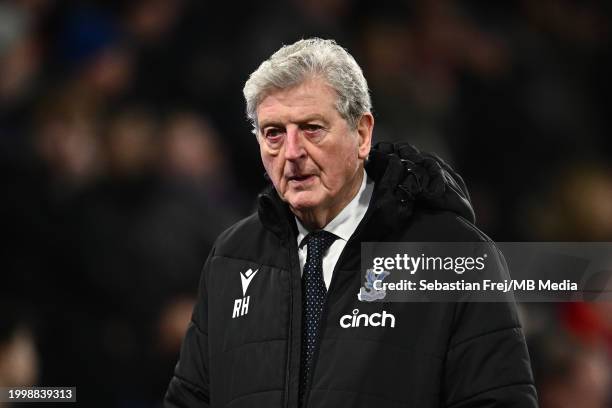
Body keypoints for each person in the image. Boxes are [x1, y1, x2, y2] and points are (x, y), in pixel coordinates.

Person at [164, 38, 537, 408]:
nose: (291, 153)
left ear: (362, 134)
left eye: (311, 128)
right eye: (273, 133)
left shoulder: (454, 254)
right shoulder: (231, 257)